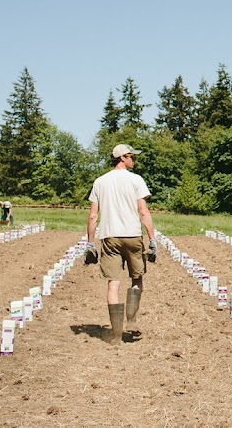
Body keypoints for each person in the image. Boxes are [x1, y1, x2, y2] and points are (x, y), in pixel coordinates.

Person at [85, 144, 157, 344]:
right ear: (123, 158)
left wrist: (90, 243)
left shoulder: (99, 182)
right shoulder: (136, 180)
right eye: (132, 157)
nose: (134, 160)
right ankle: (131, 321)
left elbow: (93, 215)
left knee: (113, 283)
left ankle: (116, 335)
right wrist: (152, 239)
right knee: (137, 278)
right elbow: (143, 211)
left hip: (109, 237)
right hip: (133, 235)